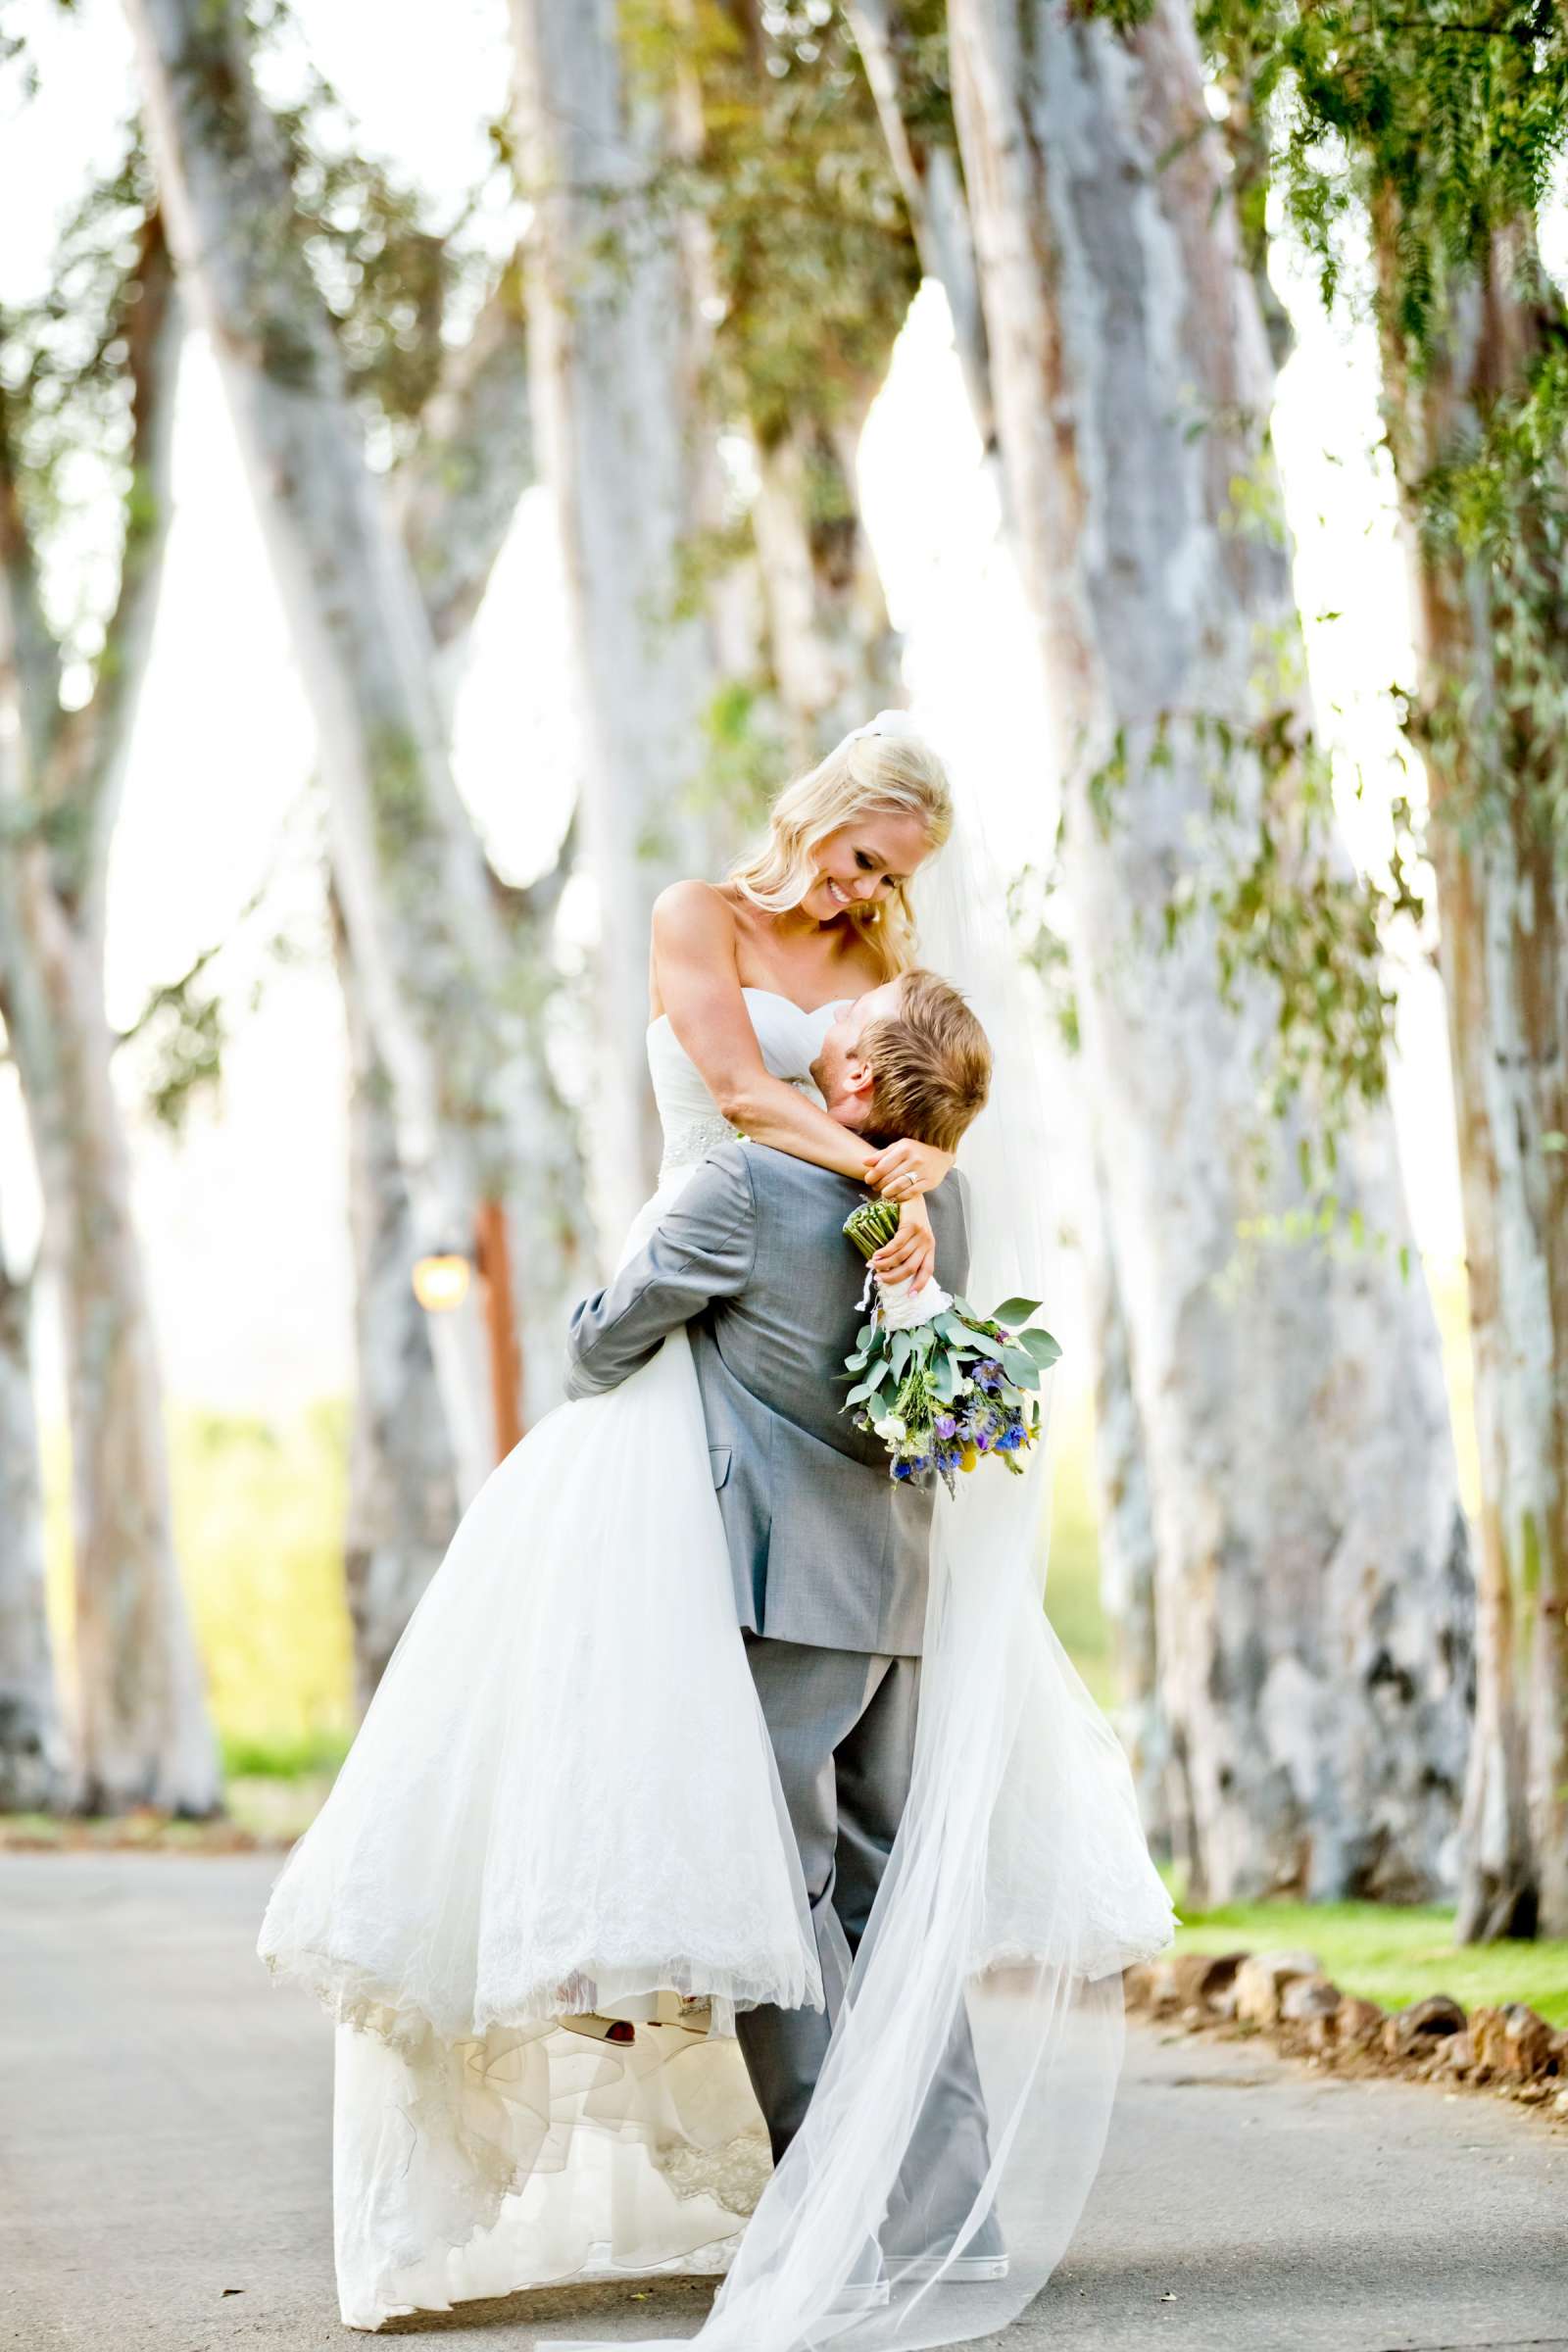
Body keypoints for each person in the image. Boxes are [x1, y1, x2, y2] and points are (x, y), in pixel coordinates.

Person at [258, 712, 1176, 2345]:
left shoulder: (837, 1065)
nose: (872, 891)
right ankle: (920, 2198)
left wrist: (873, 1203)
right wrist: (896, 1190)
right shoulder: (717, 937)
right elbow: (740, 1086)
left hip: (761, 1425)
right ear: (819, 813)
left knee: (781, 1866)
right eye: (865, 855)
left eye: (897, 878)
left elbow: (619, 1315)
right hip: (785, 1416)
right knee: (832, 1864)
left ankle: (858, 2203)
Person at [564, 972, 1004, 2284]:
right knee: (890, 1904)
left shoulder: (747, 1191)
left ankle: (830, 2218)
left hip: (776, 1595)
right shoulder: (940, 1206)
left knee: (779, 1900)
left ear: (859, 1084)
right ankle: (951, 2222)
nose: (814, 1037)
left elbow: (596, 1346)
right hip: (899, 1592)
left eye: (842, 1033)